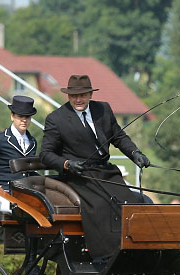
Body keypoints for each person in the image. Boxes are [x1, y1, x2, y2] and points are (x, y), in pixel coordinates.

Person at [39, 74, 151, 260]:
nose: (78, 99)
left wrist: (135, 153)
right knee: (101, 205)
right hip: (78, 175)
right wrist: (67, 164)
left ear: (90, 94)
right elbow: (45, 154)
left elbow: (119, 137)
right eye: (74, 96)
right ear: (68, 96)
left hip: (105, 172)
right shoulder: (56, 119)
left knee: (129, 201)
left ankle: (133, 250)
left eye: (82, 95)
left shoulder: (103, 109)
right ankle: (105, 255)